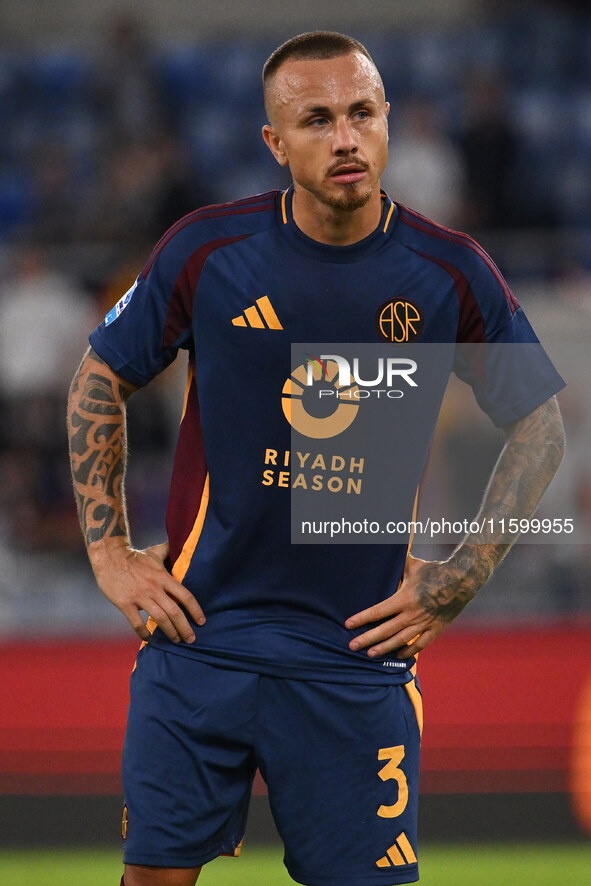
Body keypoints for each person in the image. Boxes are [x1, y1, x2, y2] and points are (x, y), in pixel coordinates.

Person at [67, 31, 566, 886]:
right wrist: (109, 553)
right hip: (200, 640)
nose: (344, 138)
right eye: (317, 119)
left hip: (354, 659)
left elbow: (541, 422)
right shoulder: (207, 252)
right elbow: (100, 375)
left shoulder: (449, 272)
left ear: (386, 125)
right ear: (274, 142)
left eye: (362, 113)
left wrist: (464, 572)